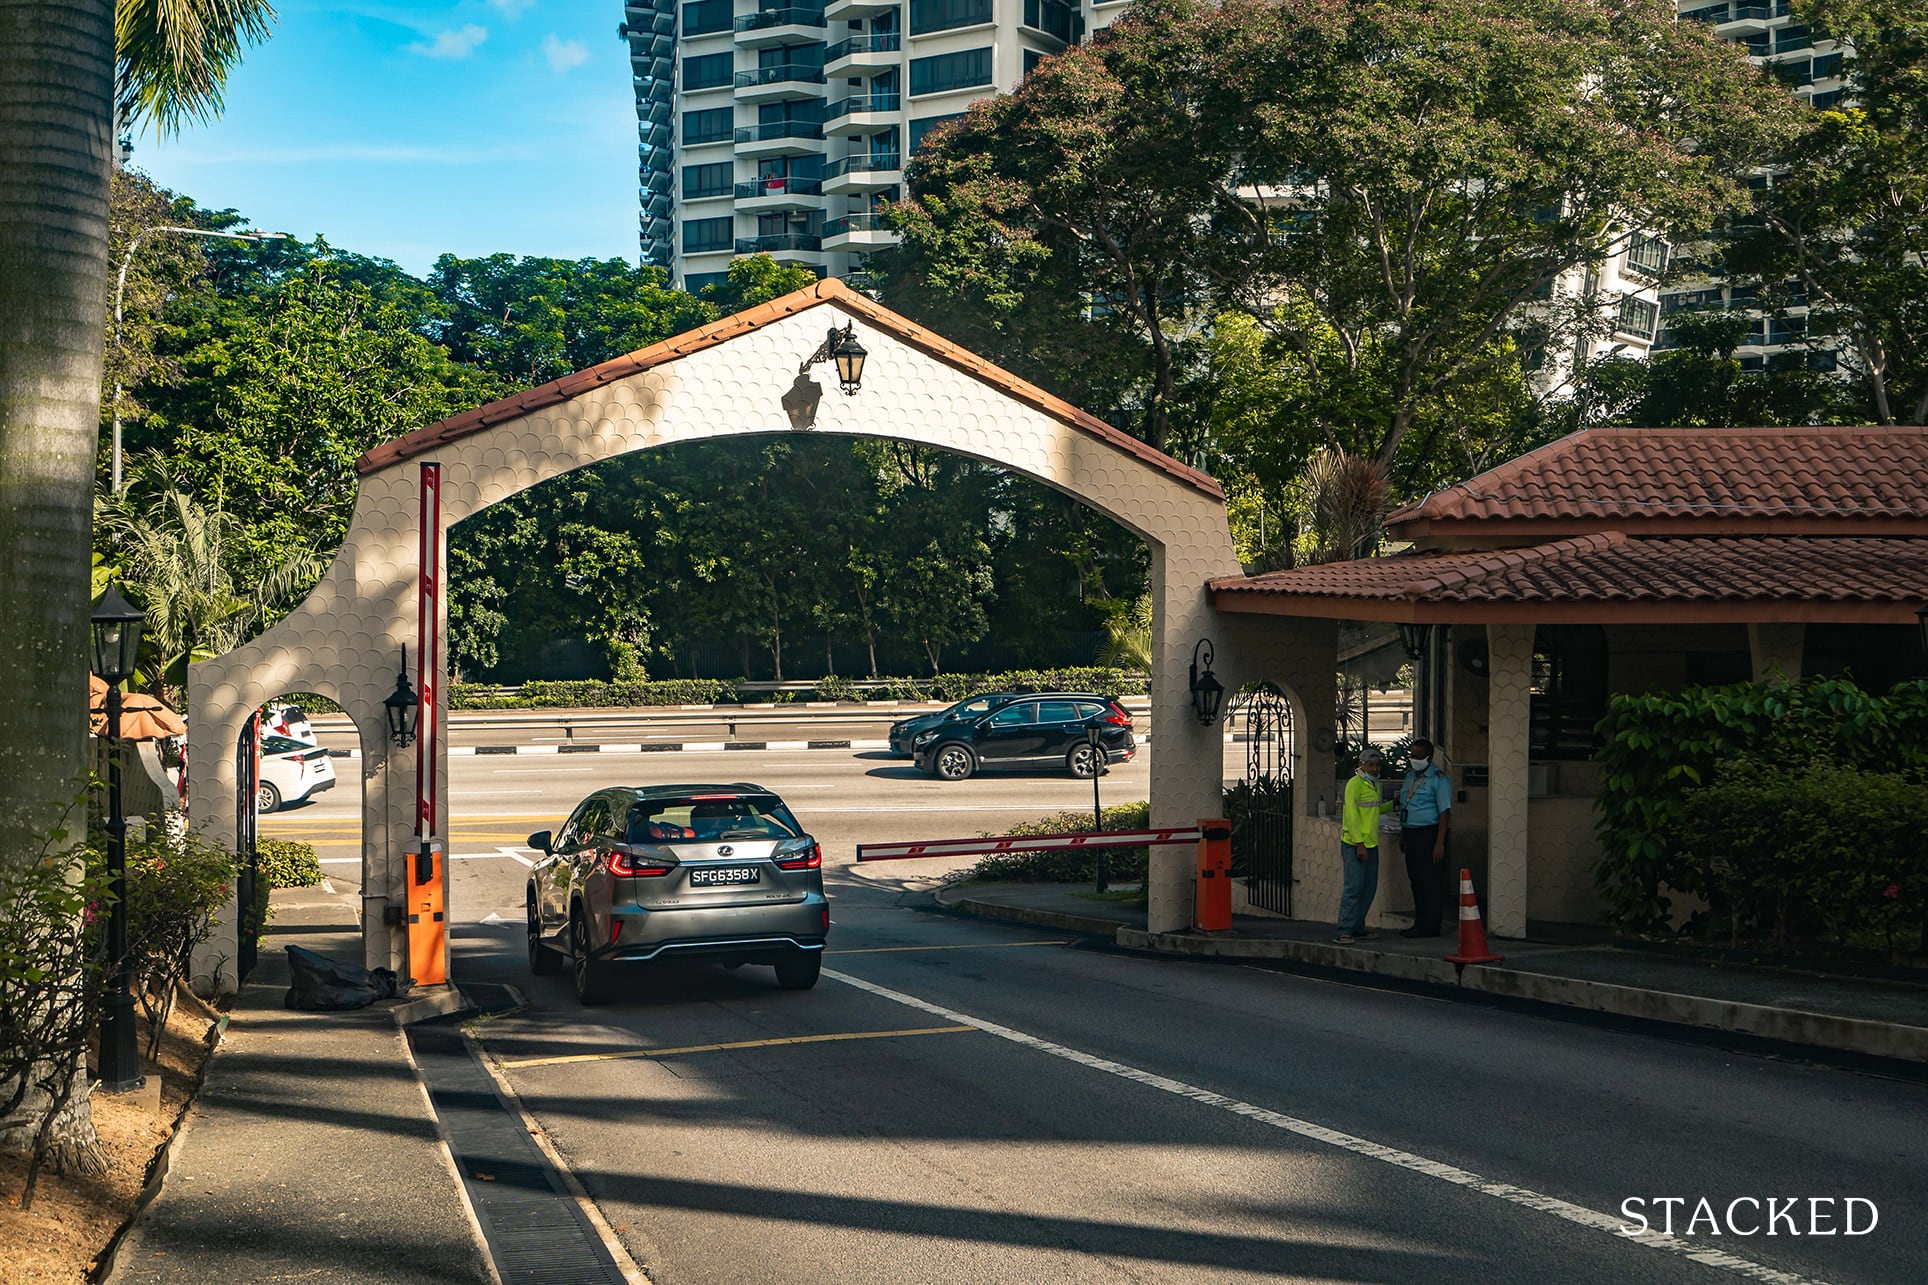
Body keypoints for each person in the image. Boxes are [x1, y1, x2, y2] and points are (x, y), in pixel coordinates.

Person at [1335, 747, 1396, 944]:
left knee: (1368, 888)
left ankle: (1357, 927)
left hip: (1371, 844)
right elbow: (1352, 816)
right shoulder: (1355, 784)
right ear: (1361, 765)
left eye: (1377, 765)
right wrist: (1359, 843)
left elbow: (1373, 811)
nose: (1375, 769)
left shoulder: (1373, 785)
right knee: (1353, 888)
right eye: (1371, 765)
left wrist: (1393, 805)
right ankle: (1345, 930)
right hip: (1355, 844)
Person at [1397, 737, 1454, 938]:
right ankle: (1419, 922)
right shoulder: (1410, 777)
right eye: (1412, 755)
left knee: (1429, 881)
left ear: (1429, 758)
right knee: (1416, 880)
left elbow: (1444, 813)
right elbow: (1406, 807)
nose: (1414, 759)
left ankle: (1431, 926)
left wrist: (1439, 843)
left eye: (1418, 756)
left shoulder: (1439, 779)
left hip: (1429, 835)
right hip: (1411, 834)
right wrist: (1404, 834)